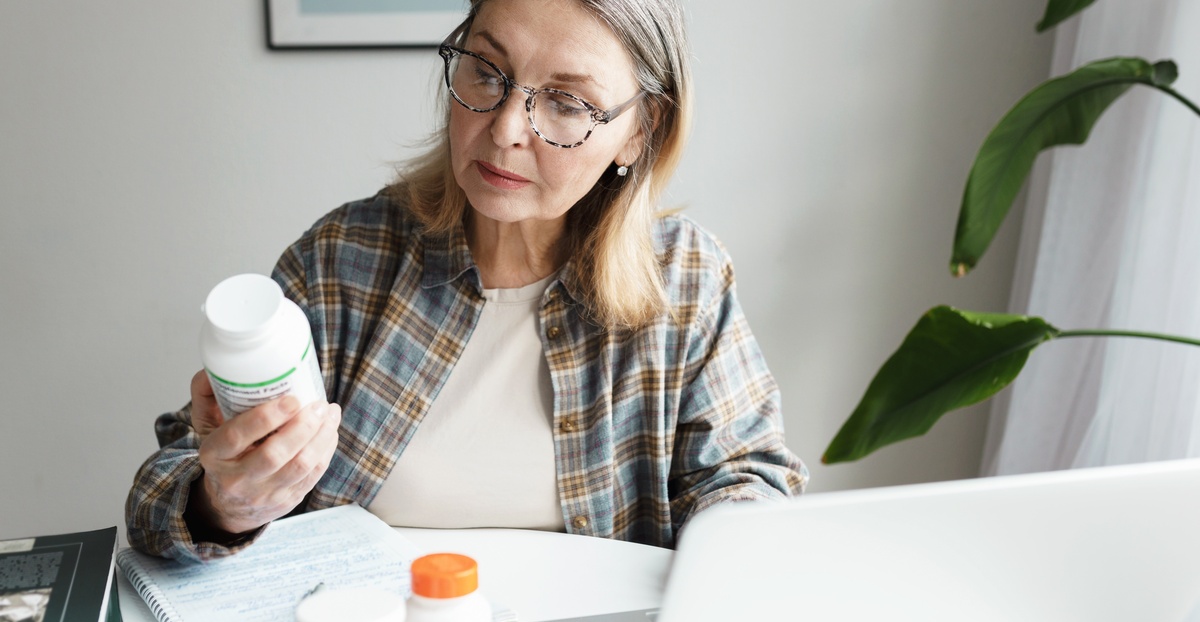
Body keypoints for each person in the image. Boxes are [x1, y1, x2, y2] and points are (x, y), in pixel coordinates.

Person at [126, 0, 808, 563]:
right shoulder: (344, 258)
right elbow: (163, 489)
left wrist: (733, 535)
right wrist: (223, 501)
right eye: (486, 72)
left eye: (566, 103)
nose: (506, 128)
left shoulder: (684, 280)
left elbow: (750, 481)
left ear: (639, 131)